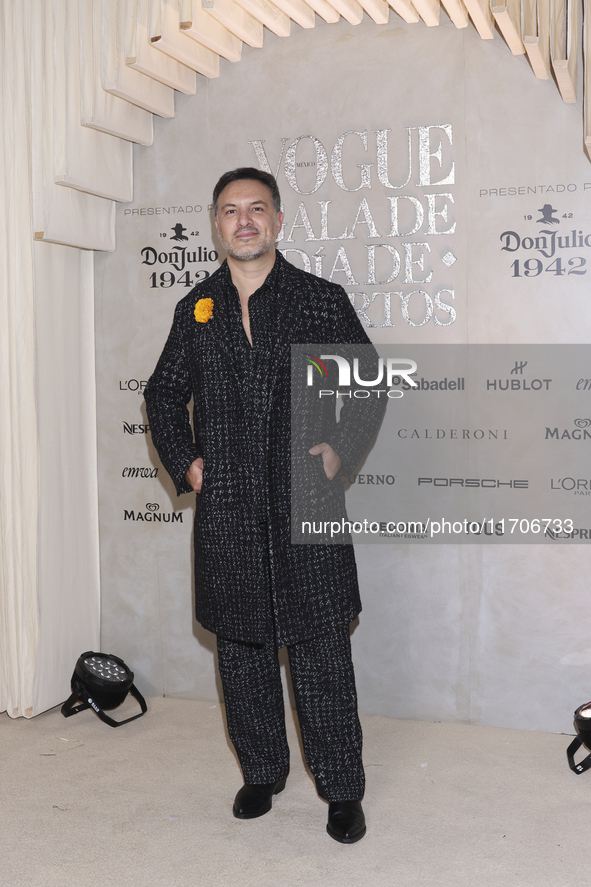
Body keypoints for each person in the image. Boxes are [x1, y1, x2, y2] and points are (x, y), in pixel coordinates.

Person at [145, 168, 385, 843]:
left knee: (320, 654)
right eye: (229, 210)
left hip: (305, 501)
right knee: (243, 651)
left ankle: (341, 789)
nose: (243, 220)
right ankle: (262, 772)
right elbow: (163, 393)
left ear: (278, 220)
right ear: (216, 224)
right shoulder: (195, 308)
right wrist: (184, 457)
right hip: (227, 512)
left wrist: (338, 450)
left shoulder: (318, 298)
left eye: (256, 208)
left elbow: (366, 383)